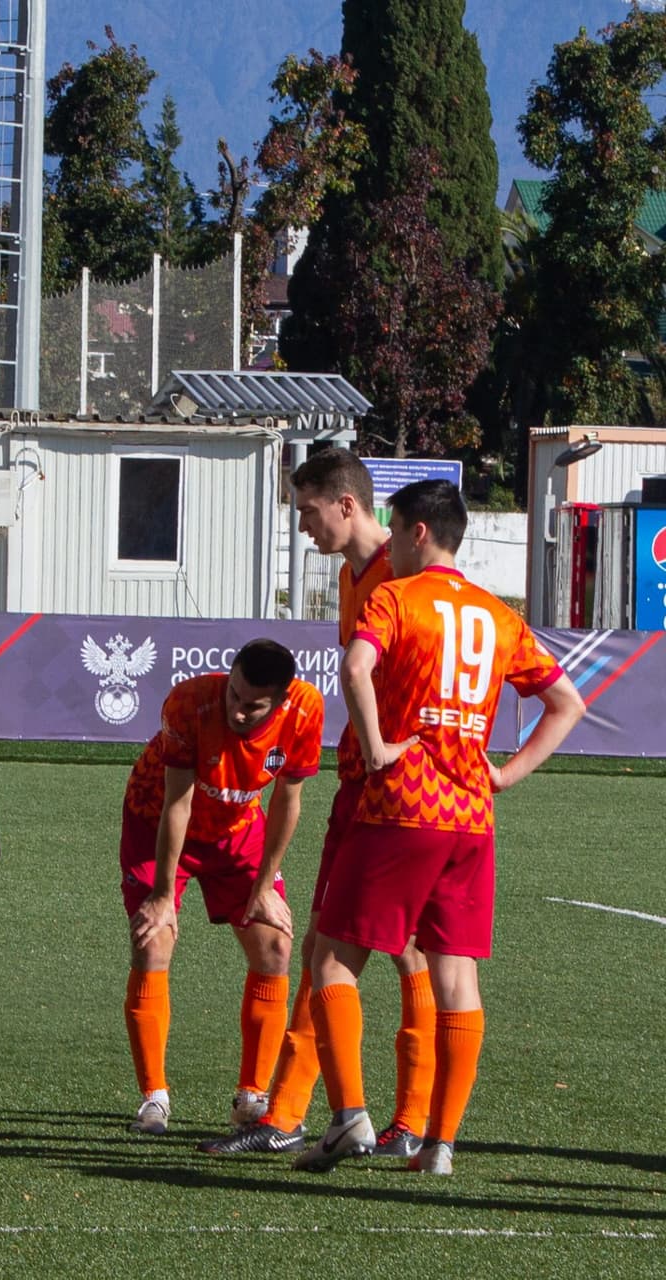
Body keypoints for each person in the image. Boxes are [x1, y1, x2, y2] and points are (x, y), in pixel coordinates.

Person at [294, 480, 584, 1175]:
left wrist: (376, 746)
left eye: (393, 534)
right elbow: (566, 703)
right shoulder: (498, 616)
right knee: (457, 979)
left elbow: (356, 667)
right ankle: (440, 1145)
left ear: (417, 533)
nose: (387, 547)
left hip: (402, 806)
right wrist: (506, 776)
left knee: (332, 960)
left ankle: (347, 1118)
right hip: (471, 819)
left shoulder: (397, 596)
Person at [204, 447, 433, 1158]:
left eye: (306, 510)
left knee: (378, 948)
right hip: (365, 780)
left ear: (346, 504)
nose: (300, 524)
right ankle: (392, 1122)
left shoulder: (406, 577)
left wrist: (396, 761)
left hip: (399, 789)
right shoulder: (351, 575)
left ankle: (344, 1118)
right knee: (388, 947)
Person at [121, 639, 322, 1137]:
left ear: (279, 700)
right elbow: (178, 802)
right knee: (155, 940)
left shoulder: (305, 712)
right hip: (158, 821)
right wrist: (164, 894)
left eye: (251, 704)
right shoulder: (189, 702)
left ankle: (252, 1097)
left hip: (237, 828)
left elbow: (286, 801)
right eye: (234, 693)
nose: (237, 709)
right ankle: (154, 1098)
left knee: (275, 945)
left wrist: (264, 883)